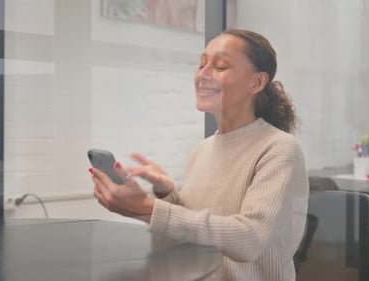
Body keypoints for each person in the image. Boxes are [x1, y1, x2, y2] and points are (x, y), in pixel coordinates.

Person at [89, 29, 309, 281]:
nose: (202, 75)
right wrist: (167, 194)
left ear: (256, 83)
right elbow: (195, 232)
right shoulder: (201, 150)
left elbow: (249, 239)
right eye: (202, 64)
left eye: (220, 66)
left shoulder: (279, 149)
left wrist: (148, 208)